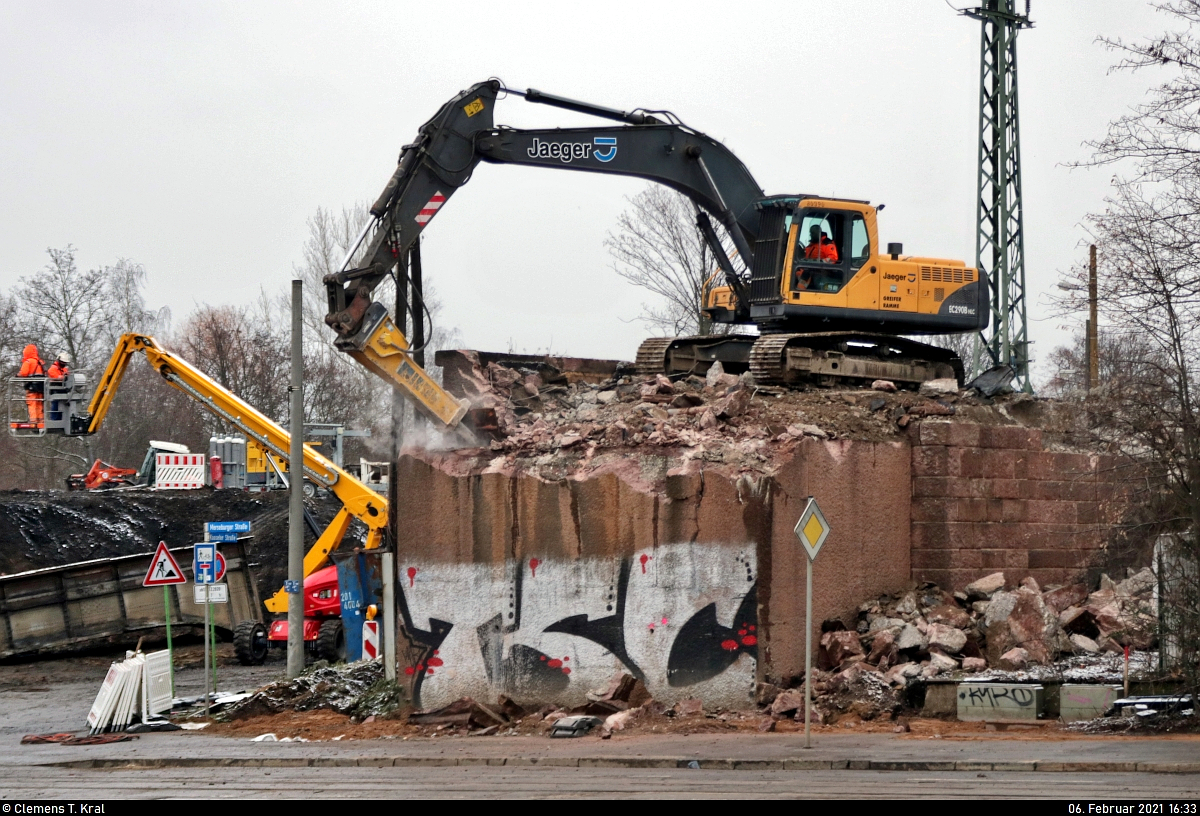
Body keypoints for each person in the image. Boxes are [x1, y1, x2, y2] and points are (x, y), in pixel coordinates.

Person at [17, 344, 45, 427]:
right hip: (40, 387)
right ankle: (40, 421)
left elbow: (24, 373)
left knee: (32, 403)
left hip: (31, 387)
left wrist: (18, 375)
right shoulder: (40, 362)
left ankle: (33, 421)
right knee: (39, 404)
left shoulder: (28, 361)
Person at [46, 351, 71, 423]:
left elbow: (67, 375)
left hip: (63, 389)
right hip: (55, 389)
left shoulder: (64, 369)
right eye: (63, 362)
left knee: (64, 404)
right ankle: (54, 419)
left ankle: (62, 418)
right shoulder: (52, 369)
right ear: (59, 360)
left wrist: (67, 377)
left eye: (65, 363)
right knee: (55, 404)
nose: (64, 364)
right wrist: (64, 377)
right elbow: (57, 377)